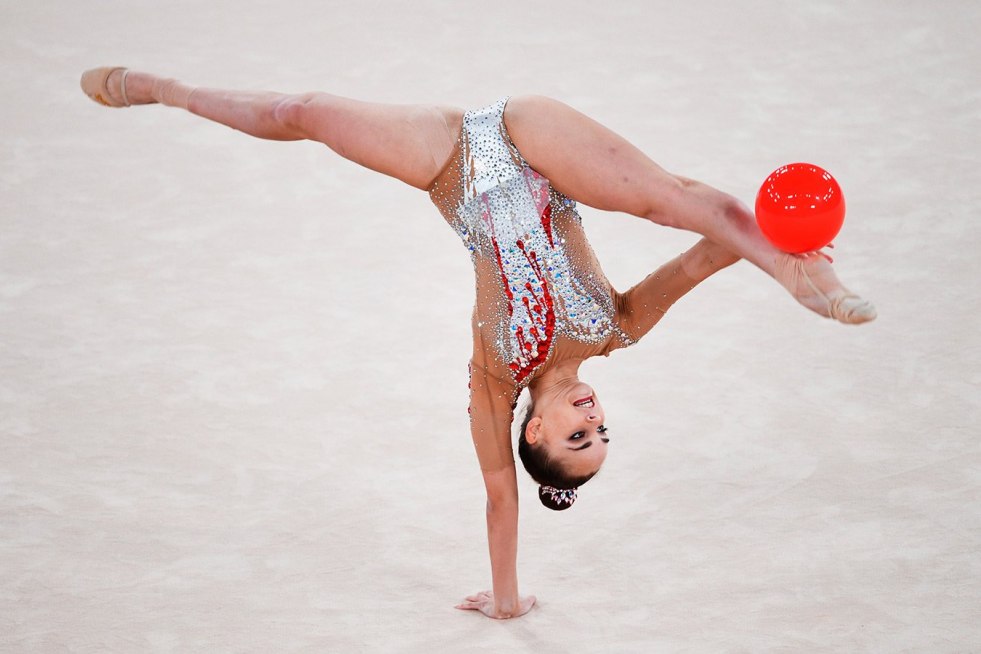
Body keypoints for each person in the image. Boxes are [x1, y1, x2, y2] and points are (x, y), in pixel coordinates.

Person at [80, 67, 876, 619]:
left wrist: (504, 600)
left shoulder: (495, 381)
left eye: (576, 437)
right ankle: (801, 274)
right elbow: (703, 256)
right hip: (538, 143)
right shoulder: (618, 327)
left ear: (533, 432)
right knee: (670, 201)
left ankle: (163, 90)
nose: (592, 417)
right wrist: (779, 241)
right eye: (601, 432)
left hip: (451, 164)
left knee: (304, 111)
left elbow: (500, 500)